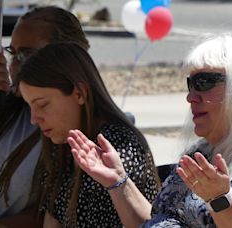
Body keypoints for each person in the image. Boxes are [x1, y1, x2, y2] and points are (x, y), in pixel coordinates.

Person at [68, 33, 232, 227]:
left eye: (205, 82)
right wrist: (117, 182)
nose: (191, 97)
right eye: (190, 84)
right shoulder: (204, 152)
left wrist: (222, 199)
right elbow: (153, 223)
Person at [0, 6, 89, 227]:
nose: (13, 64)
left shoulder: (73, 126)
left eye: (27, 54)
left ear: (67, 56)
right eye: (12, 52)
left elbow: (55, 214)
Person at [16, 42, 159, 227]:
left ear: (79, 94)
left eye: (42, 105)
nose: (34, 119)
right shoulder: (62, 143)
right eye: (30, 106)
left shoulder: (115, 148)